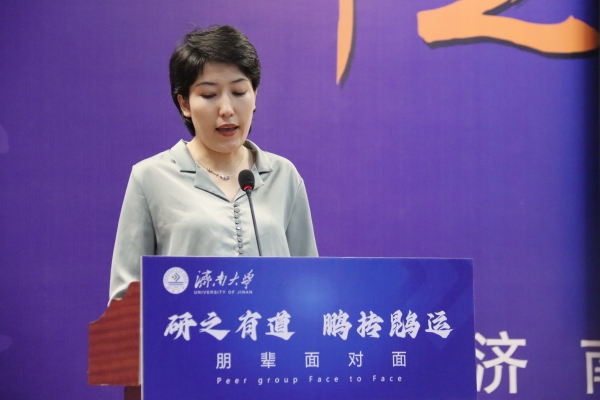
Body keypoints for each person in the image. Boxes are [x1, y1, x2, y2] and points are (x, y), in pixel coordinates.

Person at [109, 25, 318, 300]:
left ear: (255, 95)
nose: (227, 110)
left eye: (239, 92)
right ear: (184, 103)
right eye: (209, 95)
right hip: (187, 327)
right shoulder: (150, 177)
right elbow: (125, 297)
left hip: (267, 328)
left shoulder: (284, 175)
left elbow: (309, 284)